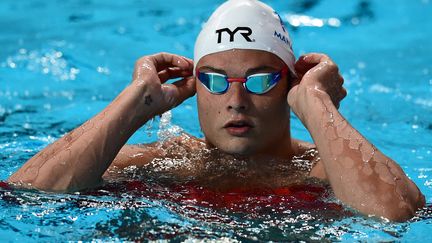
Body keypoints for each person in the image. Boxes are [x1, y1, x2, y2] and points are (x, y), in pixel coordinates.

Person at [8, 0, 424, 221]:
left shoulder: (322, 170)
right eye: (215, 80)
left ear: (290, 85)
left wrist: (317, 105)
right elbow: (25, 194)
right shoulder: (165, 162)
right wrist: (133, 105)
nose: (236, 100)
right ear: (195, 86)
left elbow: (396, 215)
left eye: (261, 80)